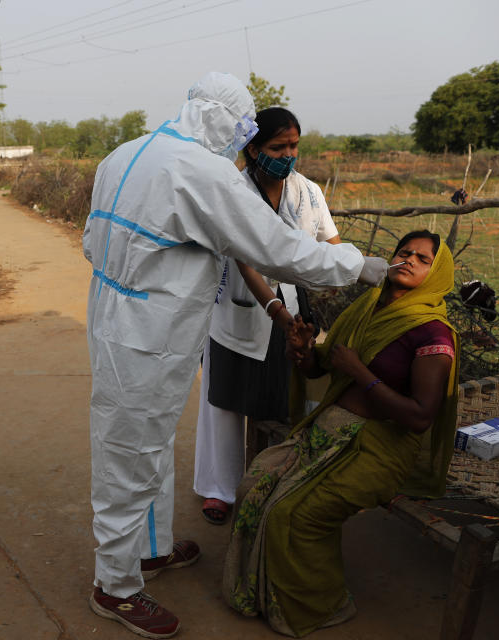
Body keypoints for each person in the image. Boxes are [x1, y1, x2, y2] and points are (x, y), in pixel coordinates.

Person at [83, 72, 390, 639]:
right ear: (221, 118)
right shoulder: (200, 172)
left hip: (113, 315)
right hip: (150, 331)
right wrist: (361, 266)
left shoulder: (126, 153)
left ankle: (146, 551)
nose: (240, 137)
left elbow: (89, 239)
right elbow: (277, 250)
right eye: (243, 127)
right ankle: (115, 587)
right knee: (129, 451)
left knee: (143, 441)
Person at [223, 230, 459, 637]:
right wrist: (303, 351)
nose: (409, 260)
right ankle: (260, 592)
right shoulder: (367, 306)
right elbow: (321, 370)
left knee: (294, 514)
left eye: (423, 259)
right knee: (255, 486)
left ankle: (321, 606)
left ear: (437, 274)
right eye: (404, 252)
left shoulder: (432, 333)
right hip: (328, 430)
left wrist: (359, 373)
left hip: (379, 447)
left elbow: (420, 417)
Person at [194, 107, 341, 525]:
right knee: (224, 400)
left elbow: (330, 242)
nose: (289, 154)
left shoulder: (308, 191)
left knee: (280, 399)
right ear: (253, 149)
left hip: (293, 310)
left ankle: (269, 482)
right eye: (278, 147)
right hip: (238, 306)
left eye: (294, 145)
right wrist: (275, 309)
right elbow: (246, 260)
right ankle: (218, 489)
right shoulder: (233, 192)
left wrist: (336, 273)